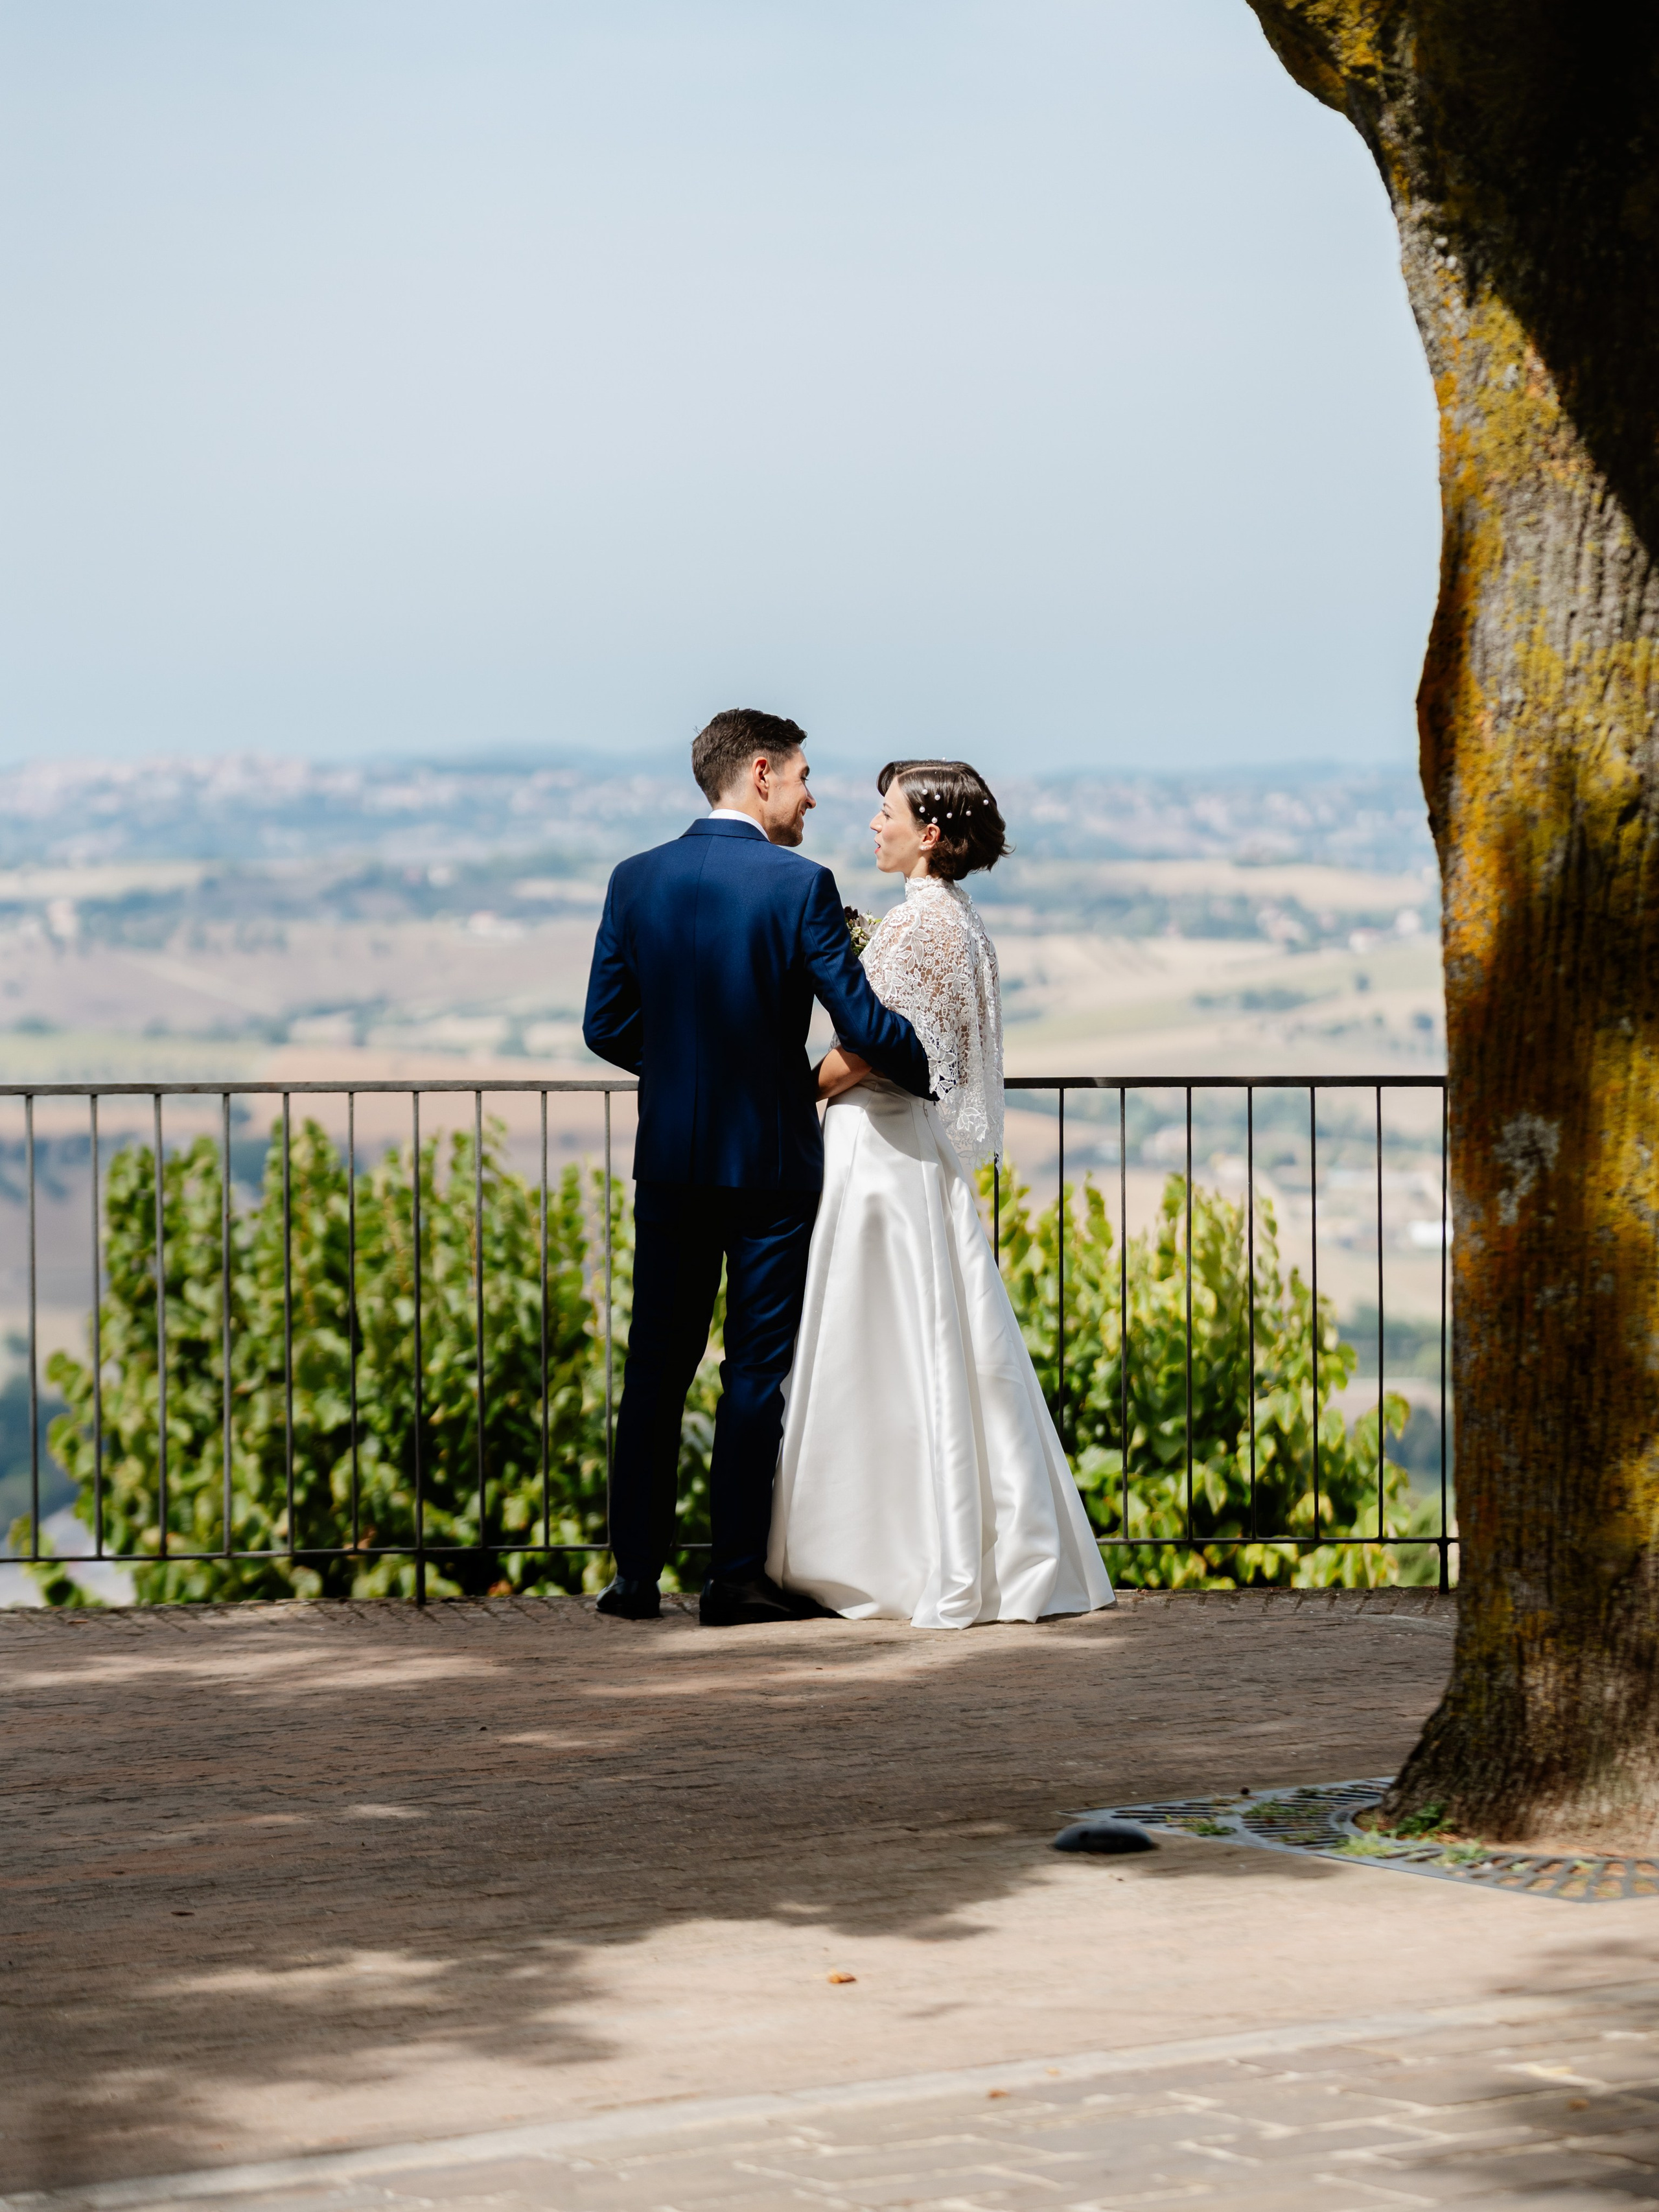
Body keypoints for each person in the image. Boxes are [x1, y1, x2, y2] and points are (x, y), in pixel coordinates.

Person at [581, 709, 933, 1626]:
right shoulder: (799, 885)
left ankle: (632, 1579)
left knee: (654, 1373)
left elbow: (604, 1025)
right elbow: (861, 1024)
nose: (816, 796)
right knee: (753, 1374)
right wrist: (930, 1053)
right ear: (763, 772)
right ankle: (734, 1578)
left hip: (669, 1166)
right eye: (808, 776)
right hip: (772, 1166)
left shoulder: (635, 878)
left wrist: (687, 1074)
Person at [767, 760, 1115, 1627]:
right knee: (929, 1351)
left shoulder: (924, 925)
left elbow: (879, 1048)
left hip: (877, 1150)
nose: (872, 824)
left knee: (875, 1345)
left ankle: (877, 1550)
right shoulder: (952, 919)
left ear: (928, 832)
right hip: (901, 1148)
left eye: (885, 812)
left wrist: (789, 1090)